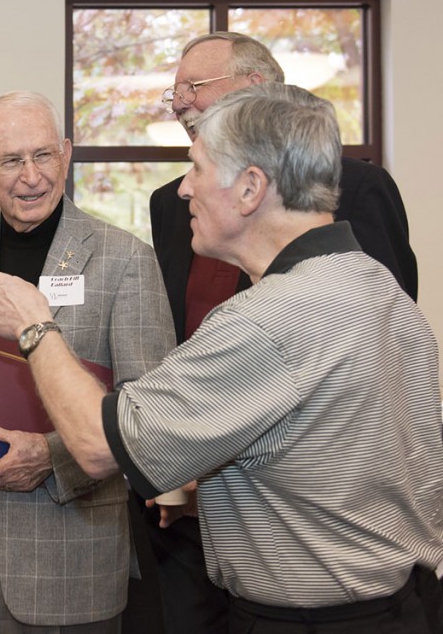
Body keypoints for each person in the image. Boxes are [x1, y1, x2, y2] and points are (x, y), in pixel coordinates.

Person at [0, 82, 443, 634]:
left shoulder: (267, 320)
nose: (184, 189)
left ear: (251, 189)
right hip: (401, 604)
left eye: (199, 168)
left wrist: (34, 325)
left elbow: (95, 446)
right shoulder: (376, 285)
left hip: (309, 618)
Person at [146, 31, 420, 632]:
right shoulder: (172, 201)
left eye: (193, 87)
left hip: (324, 550)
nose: (179, 103)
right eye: (174, 91)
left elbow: (375, 356)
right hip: (199, 509)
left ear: (257, 89)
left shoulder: (354, 188)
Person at [0, 90, 175, 632]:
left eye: (43, 155)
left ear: (66, 155)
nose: (30, 176)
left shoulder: (125, 260)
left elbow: (148, 416)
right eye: (11, 160)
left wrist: (50, 456)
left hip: (69, 561)